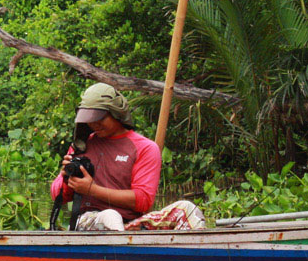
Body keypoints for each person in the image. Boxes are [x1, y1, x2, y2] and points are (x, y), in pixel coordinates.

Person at [50, 83, 204, 231]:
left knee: (188, 209)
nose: (94, 124)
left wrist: (93, 190)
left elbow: (143, 201)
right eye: (90, 119)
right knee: (111, 216)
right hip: (89, 221)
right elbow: (57, 196)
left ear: (116, 113)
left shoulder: (145, 148)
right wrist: (66, 178)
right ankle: (122, 246)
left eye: (100, 118)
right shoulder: (81, 146)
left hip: (131, 226)